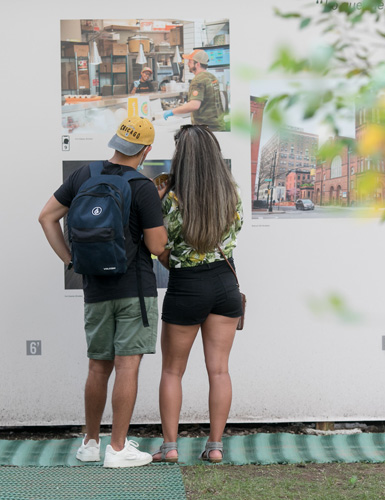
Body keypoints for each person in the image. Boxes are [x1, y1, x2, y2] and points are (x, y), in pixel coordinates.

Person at [38, 116, 167, 468]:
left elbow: (46, 217)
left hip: (95, 287)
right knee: (128, 366)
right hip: (134, 290)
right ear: (146, 150)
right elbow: (157, 246)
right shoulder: (142, 187)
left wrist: (71, 261)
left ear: (116, 142)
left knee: (98, 367)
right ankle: (119, 448)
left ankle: (91, 443)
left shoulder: (84, 175)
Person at [151, 125, 243, 464]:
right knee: (219, 370)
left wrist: (170, 257)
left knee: (173, 371)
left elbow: (157, 245)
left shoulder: (170, 198)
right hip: (224, 283)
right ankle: (215, 446)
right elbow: (236, 231)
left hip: (186, 286)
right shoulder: (231, 193)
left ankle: (170, 447)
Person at [163, 50, 226, 131]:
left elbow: (194, 105)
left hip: (206, 129)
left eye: (190, 61)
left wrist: (172, 111)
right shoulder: (212, 77)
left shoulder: (198, 80)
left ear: (197, 64)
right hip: (218, 125)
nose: (187, 64)